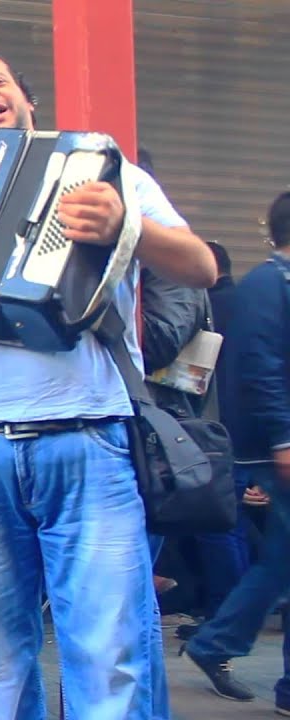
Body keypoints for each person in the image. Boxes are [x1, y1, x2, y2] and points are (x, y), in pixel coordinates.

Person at [0, 50, 217, 719]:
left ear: (27, 98)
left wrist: (124, 229)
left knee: (108, 655)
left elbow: (200, 268)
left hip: (85, 435)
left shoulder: (107, 175)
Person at [181, 191, 290, 715]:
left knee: (283, 562)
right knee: (279, 563)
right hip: (272, 450)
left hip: (271, 445)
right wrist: (284, 439)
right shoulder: (268, 285)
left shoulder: (273, 284)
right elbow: (261, 369)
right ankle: (214, 642)